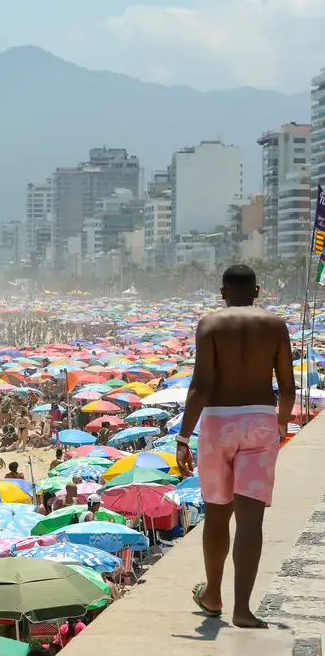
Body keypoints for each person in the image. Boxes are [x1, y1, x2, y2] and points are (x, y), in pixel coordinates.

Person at [181, 264, 294, 629]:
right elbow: (287, 387)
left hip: (218, 422)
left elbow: (200, 386)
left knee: (217, 515)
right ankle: (243, 610)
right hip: (260, 420)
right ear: (257, 290)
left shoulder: (210, 325)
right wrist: (280, 424)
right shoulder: (275, 326)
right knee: (250, 520)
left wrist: (183, 437)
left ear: (223, 293)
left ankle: (213, 595)